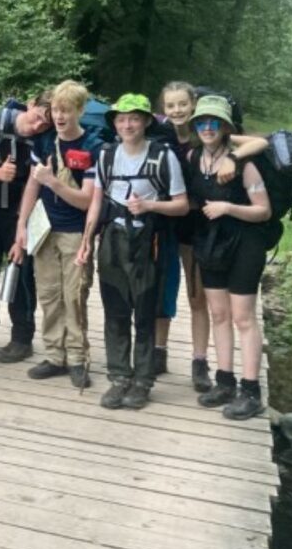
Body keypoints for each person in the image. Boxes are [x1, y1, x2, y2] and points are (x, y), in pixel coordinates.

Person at [76, 93, 188, 410]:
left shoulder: (163, 157)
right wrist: (87, 240)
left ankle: (143, 380)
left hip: (148, 242)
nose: (127, 125)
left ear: (146, 122)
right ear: (115, 123)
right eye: (122, 119)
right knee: (115, 310)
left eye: (134, 119)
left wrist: (149, 205)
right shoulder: (107, 156)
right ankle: (119, 377)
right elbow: (96, 201)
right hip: (112, 239)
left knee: (146, 311)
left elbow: (181, 205)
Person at [155, 82, 268, 392]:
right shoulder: (166, 136)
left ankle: (204, 364)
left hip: (212, 232)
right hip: (176, 225)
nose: (177, 110)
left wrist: (234, 158)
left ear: (193, 104)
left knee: (210, 304)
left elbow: (262, 142)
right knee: (172, 293)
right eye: (170, 105)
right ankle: (163, 355)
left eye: (182, 104)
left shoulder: (220, 143)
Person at [186, 95, 272, 420]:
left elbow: (263, 211)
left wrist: (228, 208)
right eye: (201, 122)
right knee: (219, 314)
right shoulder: (194, 157)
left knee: (243, 318)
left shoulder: (245, 165)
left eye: (214, 122)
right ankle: (224, 381)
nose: (207, 128)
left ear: (225, 127)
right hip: (210, 244)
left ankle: (251, 391)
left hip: (245, 244)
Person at [12, 81, 101, 388]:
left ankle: (77, 358)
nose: (60, 116)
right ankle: (54, 355)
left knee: (74, 297)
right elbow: (32, 185)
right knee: (49, 294)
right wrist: (21, 226)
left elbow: (86, 200)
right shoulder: (44, 143)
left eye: (67, 110)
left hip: (75, 232)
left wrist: (52, 181)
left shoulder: (92, 146)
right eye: (55, 110)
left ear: (80, 111)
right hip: (44, 230)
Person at [0, 91, 53, 364]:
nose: (38, 126)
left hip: (21, 215)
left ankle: (22, 339)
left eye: (45, 124)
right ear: (31, 104)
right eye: (38, 117)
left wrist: (22, 225)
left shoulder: (45, 138)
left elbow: (37, 183)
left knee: (22, 275)